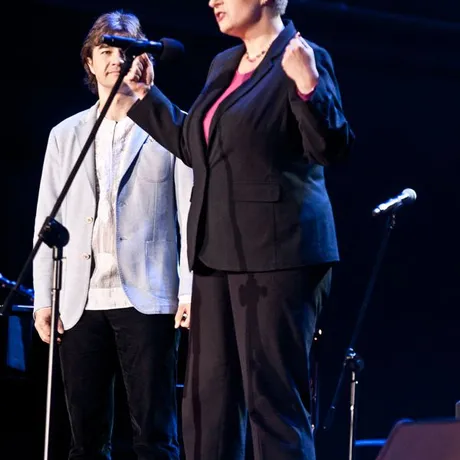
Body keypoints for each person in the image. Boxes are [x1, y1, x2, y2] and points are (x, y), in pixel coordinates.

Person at [125, 0, 354, 459]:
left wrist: (308, 86)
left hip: (279, 253)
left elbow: (330, 148)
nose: (212, 1)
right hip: (216, 252)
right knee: (208, 402)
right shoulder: (224, 63)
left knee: (272, 402)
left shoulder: (302, 55)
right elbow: (196, 148)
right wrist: (147, 97)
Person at [32, 10, 193, 460]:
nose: (114, 60)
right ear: (89, 61)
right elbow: (47, 218)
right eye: (104, 51)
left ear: (142, 58)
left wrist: (189, 289)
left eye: (124, 50)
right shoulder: (65, 135)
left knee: (154, 437)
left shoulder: (172, 126)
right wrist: (44, 298)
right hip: (79, 300)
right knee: (85, 440)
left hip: (150, 295)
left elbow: (189, 211)